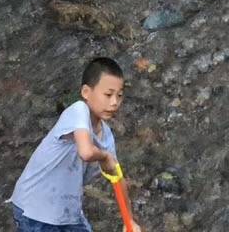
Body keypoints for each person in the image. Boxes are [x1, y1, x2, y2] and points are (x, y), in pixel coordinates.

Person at [8, 57, 141, 232]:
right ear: (86, 92)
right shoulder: (78, 111)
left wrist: (129, 220)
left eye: (119, 95)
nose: (114, 102)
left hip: (67, 215)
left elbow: (117, 177)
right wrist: (104, 157)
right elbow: (85, 151)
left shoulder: (107, 137)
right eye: (108, 95)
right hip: (34, 211)